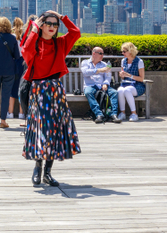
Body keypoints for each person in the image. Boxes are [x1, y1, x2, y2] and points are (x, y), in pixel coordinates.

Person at [21, 10, 81, 187]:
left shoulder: (61, 43)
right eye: (49, 24)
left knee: (55, 130)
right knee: (42, 129)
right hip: (39, 91)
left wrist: (62, 17)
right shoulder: (35, 41)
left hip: (55, 90)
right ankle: (37, 167)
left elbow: (76, 32)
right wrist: (34, 29)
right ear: (41, 24)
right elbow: (25, 52)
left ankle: (47, 172)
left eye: (56, 25)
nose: (53, 27)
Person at [81, 47, 118, 123]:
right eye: (100, 53)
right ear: (94, 53)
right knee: (88, 92)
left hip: (102, 85)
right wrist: (99, 70)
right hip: (90, 86)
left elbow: (108, 76)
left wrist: (105, 83)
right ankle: (99, 114)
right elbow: (85, 72)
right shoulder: (85, 62)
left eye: (103, 53)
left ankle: (113, 115)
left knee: (114, 92)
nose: (102, 55)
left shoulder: (105, 64)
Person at [116, 42, 146, 122]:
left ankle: (134, 114)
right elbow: (123, 76)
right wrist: (122, 75)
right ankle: (122, 113)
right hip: (126, 83)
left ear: (130, 51)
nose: (123, 53)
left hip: (138, 85)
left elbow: (141, 78)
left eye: (124, 51)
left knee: (127, 90)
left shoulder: (139, 61)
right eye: (122, 51)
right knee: (120, 90)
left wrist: (129, 75)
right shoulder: (123, 61)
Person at [8, 17, 26, 119]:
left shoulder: (11, 36)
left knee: (12, 87)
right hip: (23, 62)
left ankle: (10, 113)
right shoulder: (24, 36)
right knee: (21, 87)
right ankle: (21, 113)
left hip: (14, 62)